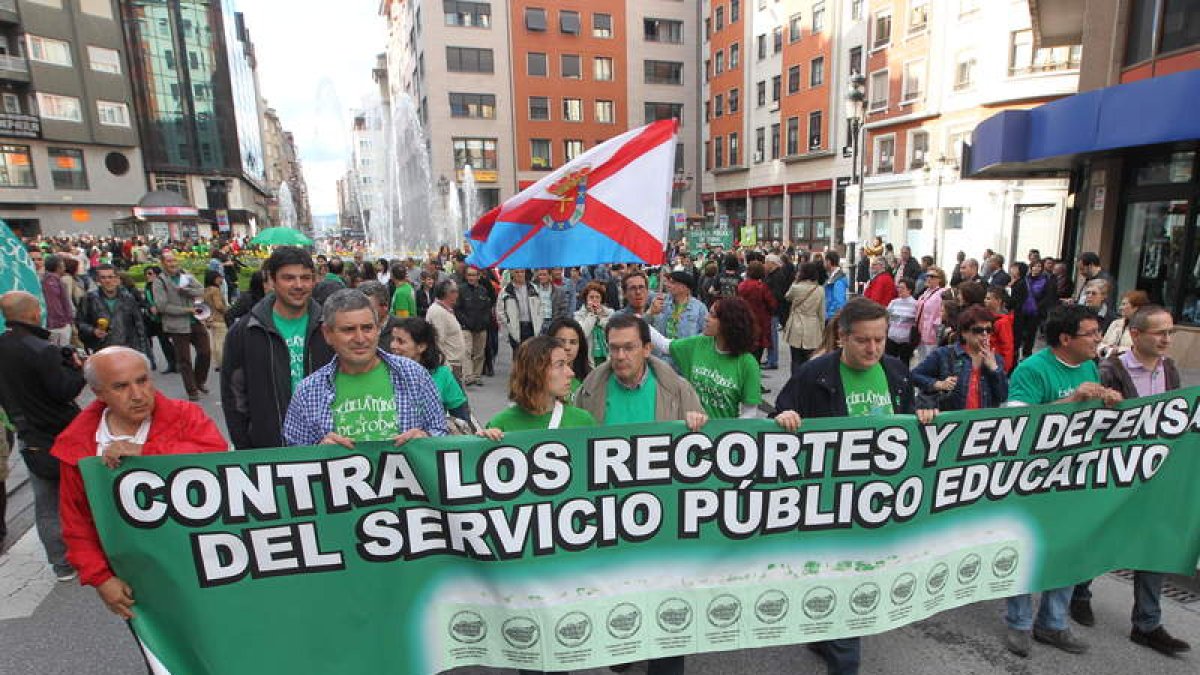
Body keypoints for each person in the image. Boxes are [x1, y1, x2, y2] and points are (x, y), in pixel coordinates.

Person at [773, 297, 934, 675]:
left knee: (850, 587)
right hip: (830, 506)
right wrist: (785, 414)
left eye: (880, 339)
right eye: (864, 340)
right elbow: (782, 409)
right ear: (843, 337)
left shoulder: (895, 371)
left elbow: (908, 421)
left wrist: (921, 415)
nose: (874, 348)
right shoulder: (817, 375)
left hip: (879, 503)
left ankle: (822, 634)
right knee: (847, 595)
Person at [50, 347, 228, 618]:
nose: (137, 395)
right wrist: (100, 578)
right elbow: (76, 521)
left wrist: (148, 455)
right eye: (121, 386)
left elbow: (218, 461)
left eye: (143, 380)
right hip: (139, 579)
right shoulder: (79, 444)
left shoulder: (185, 416)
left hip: (205, 562)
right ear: (99, 393)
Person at [1002, 304, 1123, 658]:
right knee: (1028, 548)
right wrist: (1074, 398)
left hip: (1074, 475)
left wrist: (1107, 404)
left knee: (1070, 547)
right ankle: (1019, 623)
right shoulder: (1031, 370)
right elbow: (1015, 429)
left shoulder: (1088, 366)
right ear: (1065, 338)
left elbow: (1088, 420)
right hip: (1033, 478)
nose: (1099, 340)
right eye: (1092, 334)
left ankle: (1053, 623)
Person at [1092, 305, 1191, 656]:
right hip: (1117, 475)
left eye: (1170, 333)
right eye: (1159, 332)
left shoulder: (1170, 369)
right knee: (1101, 538)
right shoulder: (1110, 370)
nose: (1167, 339)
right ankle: (1078, 590)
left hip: (1155, 474)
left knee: (1155, 544)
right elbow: (1096, 426)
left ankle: (1147, 623)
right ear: (1136, 334)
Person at [283, 289, 448, 447]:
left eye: (367, 328)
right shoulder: (308, 391)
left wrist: (426, 439)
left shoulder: (414, 375)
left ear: (378, 329)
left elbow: (440, 431)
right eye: (348, 330)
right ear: (327, 333)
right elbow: (294, 454)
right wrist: (319, 451)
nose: (360, 339)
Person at [0, 291, 86, 581]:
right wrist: (78, 371)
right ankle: (93, 552)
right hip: (63, 431)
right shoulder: (42, 349)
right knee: (83, 494)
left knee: (46, 502)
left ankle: (61, 563)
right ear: (34, 313)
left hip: (28, 433)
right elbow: (63, 390)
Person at [222, 246, 334, 450]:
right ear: (272, 281)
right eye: (289, 278)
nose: (299, 285)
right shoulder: (246, 331)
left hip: (326, 444)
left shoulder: (329, 326)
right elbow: (234, 396)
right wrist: (246, 447)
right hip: (270, 448)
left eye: (305, 278)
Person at [648, 297, 762, 419]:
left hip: (723, 435)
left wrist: (731, 434)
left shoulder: (748, 363)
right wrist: (641, 320)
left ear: (728, 322)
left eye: (712, 315)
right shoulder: (699, 343)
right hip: (691, 431)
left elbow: (749, 412)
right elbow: (665, 345)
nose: (706, 318)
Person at [479, 335, 595, 437]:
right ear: (535, 371)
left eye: (568, 364)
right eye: (560, 365)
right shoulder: (501, 424)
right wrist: (481, 443)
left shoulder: (582, 421)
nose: (571, 373)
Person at [912, 305, 1009, 410]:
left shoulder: (995, 359)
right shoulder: (944, 354)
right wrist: (937, 384)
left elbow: (1002, 397)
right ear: (964, 333)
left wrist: (994, 368)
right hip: (953, 421)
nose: (985, 334)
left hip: (982, 422)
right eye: (978, 330)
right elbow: (914, 375)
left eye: (989, 330)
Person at [152, 250, 210, 401]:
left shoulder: (185, 274)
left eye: (174, 261)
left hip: (195, 320)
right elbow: (162, 307)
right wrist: (187, 310)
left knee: (205, 352)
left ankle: (199, 381)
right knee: (185, 360)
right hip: (176, 325)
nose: (173, 264)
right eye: (169, 261)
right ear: (163, 263)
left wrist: (186, 291)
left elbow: (201, 290)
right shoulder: (160, 281)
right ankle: (192, 390)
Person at [390, 317, 471, 424]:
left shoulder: (442, 375)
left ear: (421, 347)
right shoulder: (384, 371)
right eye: (393, 339)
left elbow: (462, 419)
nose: (393, 345)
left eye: (400, 341)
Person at [76, 264, 148, 355]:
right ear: (98, 280)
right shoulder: (88, 299)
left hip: (127, 349)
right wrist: (93, 331)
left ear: (117, 279)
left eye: (110, 277)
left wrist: (143, 353)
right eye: (103, 277)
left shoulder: (128, 299)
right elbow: (80, 323)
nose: (107, 281)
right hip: (102, 350)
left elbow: (140, 327)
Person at [782, 262, 825, 375]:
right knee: (810, 359)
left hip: (796, 325)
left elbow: (787, 296)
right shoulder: (820, 290)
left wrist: (795, 281)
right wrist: (822, 330)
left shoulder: (796, 288)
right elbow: (821, 312)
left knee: (796, 359)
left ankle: (795, 384)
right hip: (813, 326)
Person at [455, 266, 494, 386]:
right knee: (466, 351)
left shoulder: (483, 290)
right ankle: (468, 376)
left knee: (479, 353)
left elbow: (488, 308)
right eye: (469, 275)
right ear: (466, 276)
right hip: (466, 327)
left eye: (474, 275)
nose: (472, 277)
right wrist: (464, 322)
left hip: (481, 327)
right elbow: (457, 308)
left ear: (478, 276)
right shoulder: (460, 290)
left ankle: (477, 375)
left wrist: (486, 321)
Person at [1010, 260, 1056, 361]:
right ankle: (1016, 351)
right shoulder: (1025, 280)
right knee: (1019, 332)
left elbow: (1048, 296)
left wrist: (1038, 306)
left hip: (1035, 311)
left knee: (1031, 333)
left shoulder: (1045, 280)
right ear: (1031, 268)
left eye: (1039, 266)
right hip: (1023, 310)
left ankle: (1027, 353)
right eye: (1035, 266)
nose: (1037, 268)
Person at [738, 261, 777, 365]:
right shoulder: (762, 287)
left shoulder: (741, 286)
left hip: (744, 321)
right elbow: (772, 304)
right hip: (760, 322)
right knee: (757, 354)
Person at [425, 280, 466, 381]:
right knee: (457, 396)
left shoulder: (445, 310)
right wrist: (446, 366)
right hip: (449, 364)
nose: (457, 294)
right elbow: (437, 341)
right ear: (447, 293)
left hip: (454, 362)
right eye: (455, 291)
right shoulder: (437, 312)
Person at [1099, 290, 1151, 358]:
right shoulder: (1116, 323)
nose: (1120, 308)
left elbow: (1141, 351)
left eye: (1124, 304)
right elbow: (1101, 345)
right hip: (1108, 364)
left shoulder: (1146, 327)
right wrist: (1107, 351)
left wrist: (1118, 350)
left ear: (1136, 308)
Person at [574, 281, 614, 368]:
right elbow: (582, 334)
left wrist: (599, 318)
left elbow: (611, 332)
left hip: (607, 355)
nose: (594, 300)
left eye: (597, 297)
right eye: (591, 297)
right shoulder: (578, 315)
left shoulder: (609, 313)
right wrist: (592, 315)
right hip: (589, 357)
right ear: (586, 299)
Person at [499, 268, 541, 351]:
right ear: (512, 273)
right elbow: (500, 311)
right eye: (517, 272)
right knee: (517, 356)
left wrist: (539, 321)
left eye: (522, 272)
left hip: (532, 327)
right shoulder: (506, 291)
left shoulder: (533, 288)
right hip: (516, 327)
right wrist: (508, 325)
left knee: (531, 355)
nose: (519, 274)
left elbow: (541, 307)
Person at [357, 280, 401, 350]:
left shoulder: (402, 330)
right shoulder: (353, 329)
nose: (360, 312)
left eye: (368, 308)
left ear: (385, 306)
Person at [42, 254, 75, 347]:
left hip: (53, 324)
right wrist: (65, 320)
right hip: (58, 326)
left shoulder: (47, 280)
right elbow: (56, 305)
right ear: (58, 267)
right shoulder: (52, 282)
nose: (65, 267)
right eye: (63, 265)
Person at [884, 277, 918, 364]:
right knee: (889, 362)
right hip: (891, 338)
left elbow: (917, 322)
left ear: (909, 290)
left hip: (906, 341)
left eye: (902, 288)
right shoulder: (894, 302)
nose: (899, 290)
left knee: (904, 363)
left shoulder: (916, 304)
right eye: (898, 287)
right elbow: (886, 317)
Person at [983, 287, 1016, 371]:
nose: (985, 300)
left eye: (988, 299)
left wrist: (1005, 368)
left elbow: (1007, 346)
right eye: (985, 298)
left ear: (998, 301)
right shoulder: (988, 317)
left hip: (996, 361)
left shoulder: (1003, 322)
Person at [203, 270, 229, 371]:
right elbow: (219, 305)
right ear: (214, 278)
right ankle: (223, 363)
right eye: (219, 277)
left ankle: (217, 363)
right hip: (219, 318)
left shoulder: (205, 290)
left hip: (210, 318)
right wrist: (227, 310)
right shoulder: (215, 290)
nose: (221, 279)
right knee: (221, 343)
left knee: (214, 342)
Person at [823, 250, 848, 321]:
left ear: (829, 262)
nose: (824, 264)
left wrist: (828, 316)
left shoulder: (838, 280)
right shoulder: (833, 278)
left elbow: (839, 303)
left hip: (832, 318)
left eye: (825, 261)